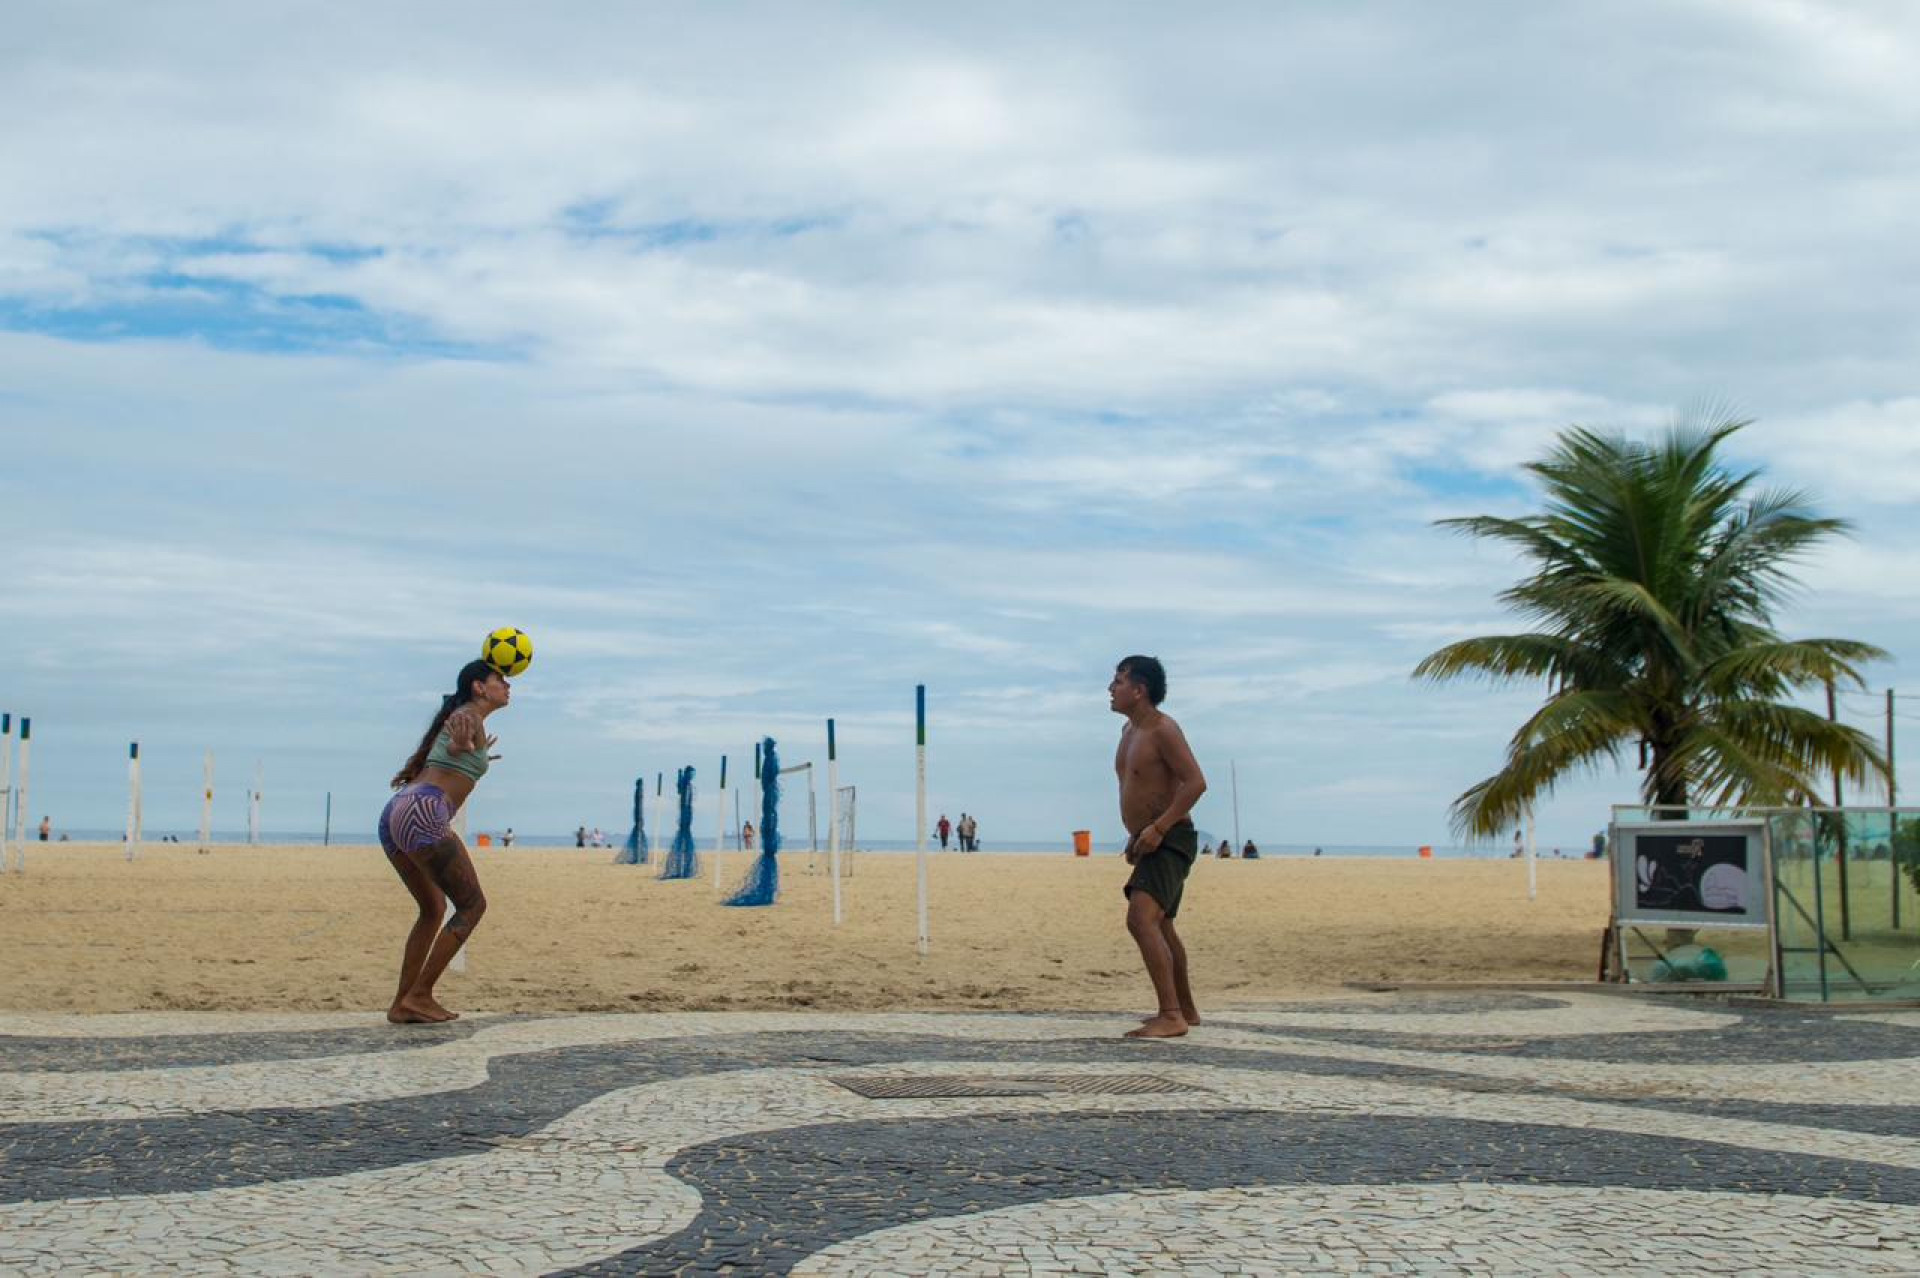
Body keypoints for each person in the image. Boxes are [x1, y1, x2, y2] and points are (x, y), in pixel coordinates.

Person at [380, 659, 509, 1024]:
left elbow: (455, 752)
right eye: (500, 679)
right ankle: (419, 995)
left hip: (397, 812)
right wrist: (461, 745)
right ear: (479, 687)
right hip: (423, 812)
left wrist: (474, 751)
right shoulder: (467, 718)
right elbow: (456, 746)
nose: (508, 685)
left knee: (433, 908)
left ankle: (403, 1003)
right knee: (472, 905)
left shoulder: (468, 719)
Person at [1110, 654, 1207, 1039]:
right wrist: (1138, 834)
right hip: (1150, 840)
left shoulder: (1163, 730)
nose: (1110, 689)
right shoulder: (1128, 733)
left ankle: (1171, 1015)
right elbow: (1138, 788)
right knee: (1162, 925)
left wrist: (1159, 828)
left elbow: (1196, 782)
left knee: (1141, 919)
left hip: (1171, 837)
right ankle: (1185, 1009)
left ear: (1139, 689)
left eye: (1118, 682)